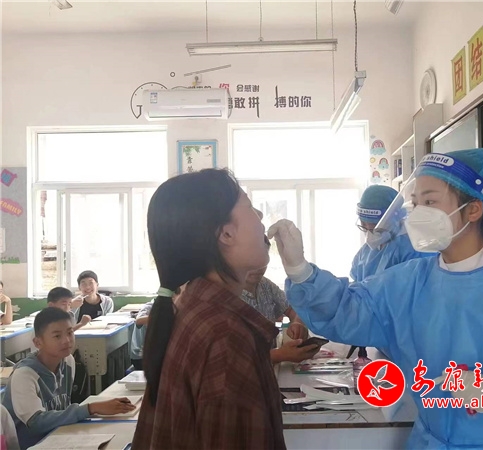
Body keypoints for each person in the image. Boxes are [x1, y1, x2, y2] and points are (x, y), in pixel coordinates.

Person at [268, 148, 483, 449]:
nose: (416, 215)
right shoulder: (408, 282)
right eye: (414, 204)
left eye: (430, 202)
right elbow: (348, 310)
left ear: (473, 209)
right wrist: (300, 271)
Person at [132, 169, 293, 449]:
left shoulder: (191, 305)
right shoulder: (226, 335)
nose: (260, 216)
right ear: (226, 233)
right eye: (249, 206)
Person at [1, 308, 135, 448]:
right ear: (38, 343)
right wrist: (91, 408)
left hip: (58, 437)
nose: (67, 341)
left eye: (70, 333)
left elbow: (62, 408)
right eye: (57, 336)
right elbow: (36, 423)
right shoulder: (24, 374)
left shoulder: (68, 361)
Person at [351, 185, 431, 283]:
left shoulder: (413, 249)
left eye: (375, 227)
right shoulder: (365, 252)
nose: (370, 234)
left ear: (395, 218)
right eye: (364, 225)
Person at [242, 267, 319, 363]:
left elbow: (292, 309)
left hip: (269, 367)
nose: (258, 265)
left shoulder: (264, 284)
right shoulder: (226, 293)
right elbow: (234, 358)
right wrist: (280, 355)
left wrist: (297, 323)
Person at [130, 286, 185, 371]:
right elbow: (139, 321)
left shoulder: (174, 309)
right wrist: (163, 316)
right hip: (141, 357)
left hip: (156, 354)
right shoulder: (149, 306)